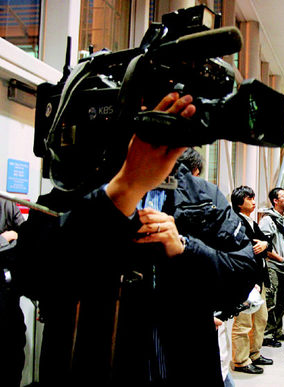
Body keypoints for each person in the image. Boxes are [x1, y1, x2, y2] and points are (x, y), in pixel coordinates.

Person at [14, 92, 259, 386]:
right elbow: (30, 275)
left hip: (184, 367)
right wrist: (120, 194)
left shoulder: (203, 196)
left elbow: (243, 277)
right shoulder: (71, 192)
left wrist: (185, 249)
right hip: (86, 366)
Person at [230, 186, 273, 374]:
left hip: (258, 279)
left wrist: (265, 243)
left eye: (254, 198)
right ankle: (240, 360)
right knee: (243, 321)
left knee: (261, 319)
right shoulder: (234, 222)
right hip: (244, 280)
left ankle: (254, 353)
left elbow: (265, 242)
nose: (253, 201)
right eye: (249, 198)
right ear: (239, 202)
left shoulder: (252, 222)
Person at [259, 188, 284, 347]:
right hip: (272, 265)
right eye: (283, 197)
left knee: (281, 301)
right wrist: (279, 258)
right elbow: (264, 246)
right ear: (275, 201)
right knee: (271, 301)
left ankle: (277, 330)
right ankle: (267, 334)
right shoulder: (268, 220)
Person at [0, 197, 26, 387]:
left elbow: (25, 235)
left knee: (15, 345)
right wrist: (5, 238)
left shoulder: (5, 202)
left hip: (8, 294)